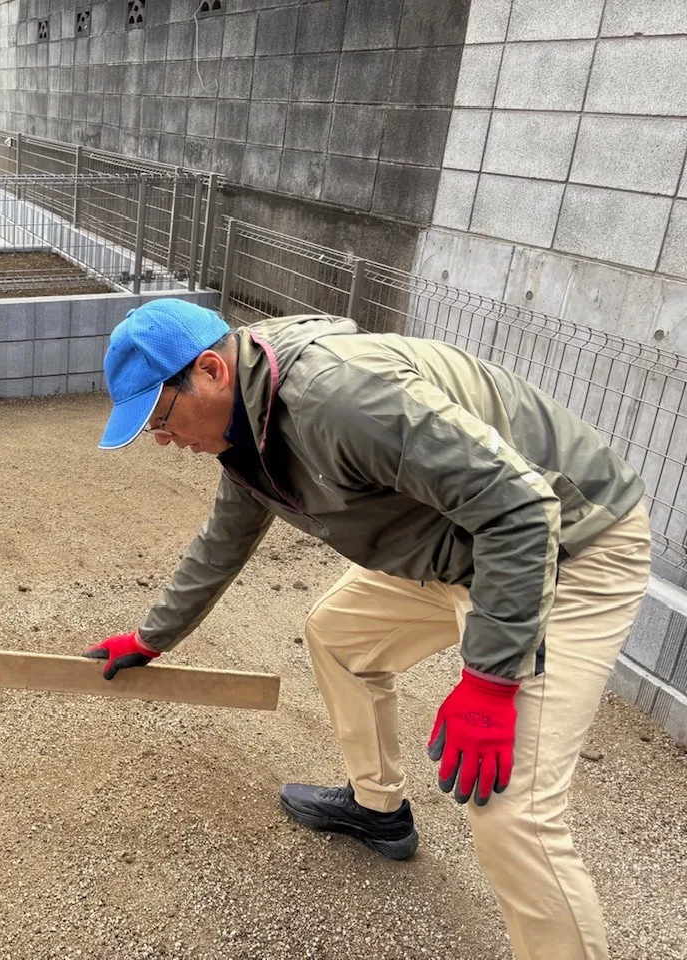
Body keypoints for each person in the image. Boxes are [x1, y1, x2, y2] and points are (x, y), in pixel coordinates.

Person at [84, 297, 649, 960]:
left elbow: (522, 511)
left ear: (209, 371)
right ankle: (379, 809)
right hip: (457, 544)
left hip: (569, 544)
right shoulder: (244, 426)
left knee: (512, 815)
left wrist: (492, 683)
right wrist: (154, 636)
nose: (162, 440)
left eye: (160, 417)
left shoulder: (340, 400)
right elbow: (225, 538)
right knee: (337, 635)